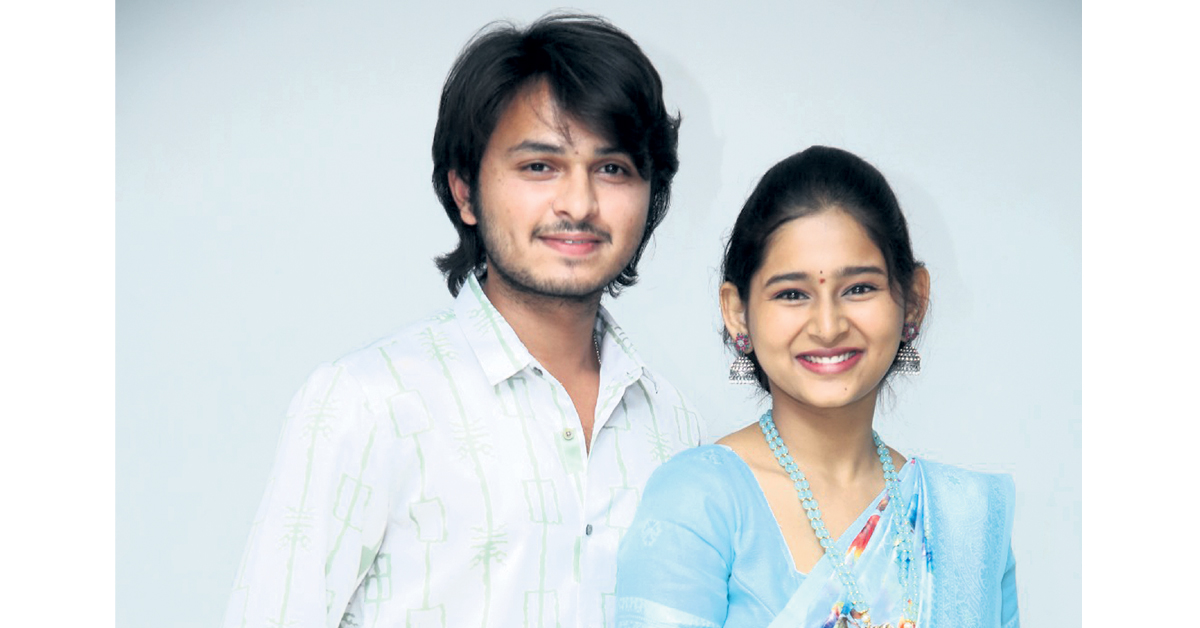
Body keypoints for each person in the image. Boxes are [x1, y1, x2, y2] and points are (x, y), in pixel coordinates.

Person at [223, 13, 706, 628]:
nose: (579, 204)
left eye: (612, 169)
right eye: (540, 166)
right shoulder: (371, 404)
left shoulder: (674, 426)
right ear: (465, 191)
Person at [614, 146, 1018, 628]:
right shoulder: (698, 501)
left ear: (913, 300)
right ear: (737, 312)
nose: (828, 327)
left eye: (859, 288)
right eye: (792, 294)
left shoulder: (963, 520)